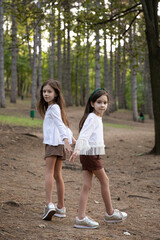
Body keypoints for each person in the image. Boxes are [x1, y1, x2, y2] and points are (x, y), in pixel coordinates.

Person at [69, 88, 127, 229]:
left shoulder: (95, 118)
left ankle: (80, 217)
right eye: (99, 102)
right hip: (90, 155)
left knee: (87, 185)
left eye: (105, 102)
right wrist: (77, 150)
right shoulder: (92, 118)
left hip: (89, 154)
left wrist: (79, 150)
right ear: (92, 103)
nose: (102, 105)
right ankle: (110, 213)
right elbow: (84, 135)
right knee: (104, 180)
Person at [37, 79, 76, 221]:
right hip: (59, 144)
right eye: (44, 91)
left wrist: (67, 141)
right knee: (58, 175)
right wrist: (72, 139)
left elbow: (60, 125)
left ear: (56, 93)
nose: (46, 94)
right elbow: (64, 125)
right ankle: (61, 208)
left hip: (54, 144)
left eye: (49, 91)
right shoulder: (56, 108)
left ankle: (49, 204)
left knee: (49, 172)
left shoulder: (53, 108)